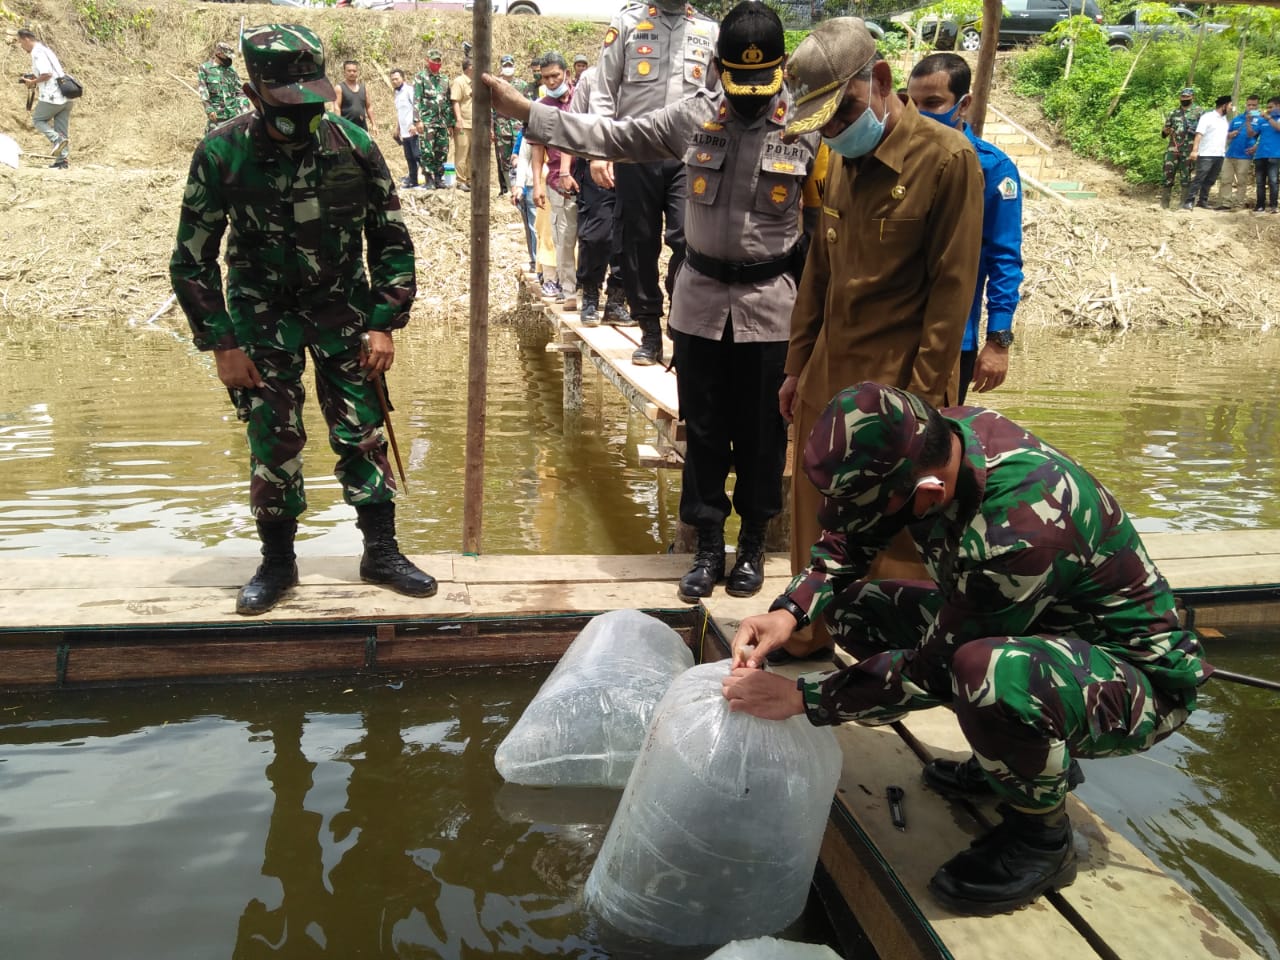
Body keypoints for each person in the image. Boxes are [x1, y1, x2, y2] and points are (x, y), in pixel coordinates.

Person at [722, 381, 1211, 916]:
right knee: (856, 608)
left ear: (929, 490)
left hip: (1138, 682)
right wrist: (790, 610)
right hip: (1037, 636)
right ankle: (1012, 759)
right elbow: (852, 536)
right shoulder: (933, 437)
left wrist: (804, 700)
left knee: (985, 672)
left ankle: (1042, 839)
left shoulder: (1023, 526)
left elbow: (931, 671)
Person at [487, 1, 820, 603]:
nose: (747, 98)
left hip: (771, 306)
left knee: (764, 435)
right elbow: (611, 134)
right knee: (704, 429)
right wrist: (526, 113)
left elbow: (821, 233)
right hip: (697, 304)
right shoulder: (690, 117)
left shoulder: (808, 129)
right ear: (716, 68)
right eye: (736, 83)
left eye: (760, 85)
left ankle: (751, 549)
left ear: (780, 71)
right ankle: (708, 544)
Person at [169, 24, 437, 616]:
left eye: (310, 98)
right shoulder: (221, 152)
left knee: (363, 429)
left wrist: (384, 321)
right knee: (273, 437)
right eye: (287, 100)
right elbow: (192, 259)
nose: (301, 113)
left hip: (343, 310)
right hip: (261, 316)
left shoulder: (353, 144)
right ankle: (277, 563)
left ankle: (382, 552)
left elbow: (391, 239)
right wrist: (222, 344)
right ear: (252, 91)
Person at [775, 18, 983, 660]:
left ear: (882, 82)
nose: (833, 131)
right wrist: (794, 368)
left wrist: (921, 415)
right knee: (813, 512)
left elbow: (950, 300)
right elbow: (818, 271)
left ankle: (891, 655)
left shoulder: (947, 160)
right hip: (826, 377)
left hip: (900, 389)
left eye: (841, 114)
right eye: (823, 125)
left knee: (897, 529)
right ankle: (807, 631)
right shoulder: (838, 159)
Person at [591, 0, 720, 366]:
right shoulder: (628, 23)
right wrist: (601, 151)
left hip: (689, 156)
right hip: (636, 151)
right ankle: (648, 328)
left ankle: (680, 325)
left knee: (688, 240)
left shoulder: (709, 30)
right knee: (638, 243)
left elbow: (718, 96)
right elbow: (603, 91)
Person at [907, 53, 1022, 405]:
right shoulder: (891, 159)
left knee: (930, 444)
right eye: (911, 103)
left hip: (952, 342)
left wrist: (997, 341)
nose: (918, 114)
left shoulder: (991, 169)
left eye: (932, 103)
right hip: (887, 334)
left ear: (963, 104)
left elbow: (1003, 257)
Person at [567, 60, 630, 327]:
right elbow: (574, 122)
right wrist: (568, 167)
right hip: (596, 166)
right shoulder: (591, 78)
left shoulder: (649, 78)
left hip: (634, 164)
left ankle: (617, 299)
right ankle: (590, 293)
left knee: (631, 237)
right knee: (597, 234)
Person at [529, 53, 579, 310]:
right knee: (564, 236)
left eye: (555, 76)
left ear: (566, 74)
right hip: (558, 181)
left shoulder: (582, 99)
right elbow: (537, 152)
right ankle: (569, 290)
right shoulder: (540, 107)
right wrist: (537, 184)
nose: (550, 81)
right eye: (546, 77)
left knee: (594, 236)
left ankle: (590, 288)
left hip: (587, 176)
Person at [16, 28, 71, 170]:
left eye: (21, 43)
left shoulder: (37, 52)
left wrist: (32, 82)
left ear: (26, 39)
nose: (22, 47)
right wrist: (34, 78)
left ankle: (56, 141)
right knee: (61, 129)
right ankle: (62, 162)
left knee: (38, 120)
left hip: (52, 95)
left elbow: (46, 74)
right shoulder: (45, 49)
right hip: (66, 95)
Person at [1182, 95, 1231, 211]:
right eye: (1230, 105)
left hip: (1219, 154)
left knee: (1211, 179)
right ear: (1224, 105)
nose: (1231, 108)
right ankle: (1189, 201)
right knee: (1199, 178)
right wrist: (1194, 150)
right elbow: (1199, 134)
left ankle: (1203, 201)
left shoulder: (1225, 120)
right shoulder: (1207, 117)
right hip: (1206, 154)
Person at [415, 49, 455, 190]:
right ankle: (428, 178)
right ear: (428, 60)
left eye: (438, 61)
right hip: (427, 121)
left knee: (442, 150)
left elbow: (448, 103)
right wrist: (417, 120)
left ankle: (439, 178)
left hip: (442, 122)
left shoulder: (444, 79)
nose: (436, 63)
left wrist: (450, 123)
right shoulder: (421, 77)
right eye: (434, 60)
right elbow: (417, 100)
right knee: (427, 151)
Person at [1160, 86, 1201, 209]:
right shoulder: (1173, 113)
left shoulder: (1199, 112)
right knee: (1167, 174)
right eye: (1183, 96)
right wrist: (1166, 130)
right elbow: (1164, 134)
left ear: (1192, 97)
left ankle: (1184, 205)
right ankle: (1164, 205)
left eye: (1187, 97)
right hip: (1173, 148)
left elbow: (1202, 132)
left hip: (1189, 149)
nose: (1184, 99)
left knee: (1186, 176)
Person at [198, 40, 251, 132]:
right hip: (217, 116)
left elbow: (240, 92)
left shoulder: (231, 70)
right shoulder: (205, 68)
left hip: (233, 115)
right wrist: (209, 109)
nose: (229, 58)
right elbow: (203, 91)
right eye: (227, 56)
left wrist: (244, 111)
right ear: (218, 54)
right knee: (213, 143)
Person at [1220, 94, 1259, 210]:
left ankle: (1238, 203)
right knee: (1226, 179)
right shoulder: (1237, 119)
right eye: (1249, 105)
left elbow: (1256, 135)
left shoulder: (1259, 120)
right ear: (1246, 105)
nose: (1251, 107)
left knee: (1241, 181)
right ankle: (1226, 203)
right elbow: (1225, 135)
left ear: (1258, 106)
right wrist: (1229, 134)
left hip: (1245, 155)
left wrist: (1248, 122)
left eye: (1254, 105)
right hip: (1230, 154)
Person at [390, 67, 422, 189]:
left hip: (413, 130)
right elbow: (400, 113)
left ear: (403, 78)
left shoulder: (409, 90)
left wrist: (415, 124)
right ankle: (413, 180)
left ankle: (429, 179)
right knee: (409, 157)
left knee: (418, 155)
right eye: (392, 79)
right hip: (404, 131)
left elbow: (416, 107)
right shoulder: (397, 94)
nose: (394, 81)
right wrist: (397, 129)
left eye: (397, 79)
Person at [493, 55, 520, 197]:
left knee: (518, 157)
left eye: (510, 65)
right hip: (501, 127)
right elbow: (490, 108)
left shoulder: (521, 85)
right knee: (503, 158)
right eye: (505, 65)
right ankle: (506, 189)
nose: (508, 68)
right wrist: (491, 128)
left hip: (517, 128)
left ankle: (518, 186)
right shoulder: (496, 84)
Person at [1249, 96, 1280, 214]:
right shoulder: (1262, 121)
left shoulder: (1276, 119)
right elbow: (1253, 134)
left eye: (1271, 107)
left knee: (1273, 181)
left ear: (1278, 106)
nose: (1268, 109)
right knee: (1260, 182)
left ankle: (1273, 206)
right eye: (1267, 107)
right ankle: (1260, 205)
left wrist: (1269, 118)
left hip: (1274, 154)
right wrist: (1248, 121)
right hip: (1260, 155)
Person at [450, 58, 474, 193]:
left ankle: (470, 179)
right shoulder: (459, 82)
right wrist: (458, 119)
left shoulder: (475, 83)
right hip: (463, 124)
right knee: (462, 152)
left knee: (472, 154)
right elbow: (455, 102)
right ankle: (460, 180)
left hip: (474, 124)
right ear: (469, 67)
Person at [335, 59, 373, 132]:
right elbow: (337, 107)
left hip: (362, 127)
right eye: (349, 71)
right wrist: (339, 125)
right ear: (344, 72)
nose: (352, 73)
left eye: (354, 71)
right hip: (346, 127)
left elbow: (369, 107)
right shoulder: (339, 88)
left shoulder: (363, 88)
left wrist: (373, 124)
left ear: (357, 72)